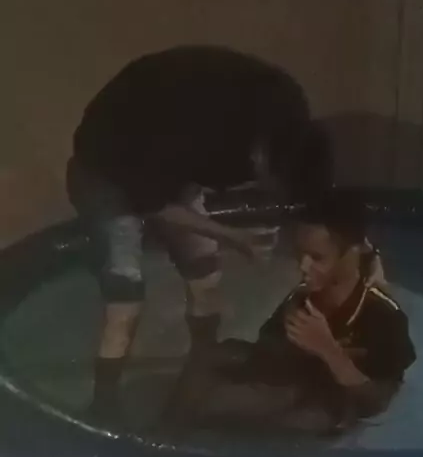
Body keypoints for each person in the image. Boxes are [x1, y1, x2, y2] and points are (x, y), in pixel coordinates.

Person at [67, 44, 335, 423]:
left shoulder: (288, 112)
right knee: (126, 297)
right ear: (260, 158)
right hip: (106, 167)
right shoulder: (188, 131)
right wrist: (236, 238)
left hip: (173, 161)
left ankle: (201, 367)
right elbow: (154, 204)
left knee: (206, 275)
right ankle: (103, 405)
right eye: (270, 184)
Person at [176, 193, 416, 435]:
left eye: (317, 258)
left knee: (306, 418)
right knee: (211, 356)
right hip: (295, 381)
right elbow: (268, 349)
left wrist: (329, 351)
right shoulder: (302, 298)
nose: (303, 266)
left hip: (331, 400)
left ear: (352, 254)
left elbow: (377, 402)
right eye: (300, 254)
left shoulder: (383, 316)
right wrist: (289, 352)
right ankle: (172, 430)